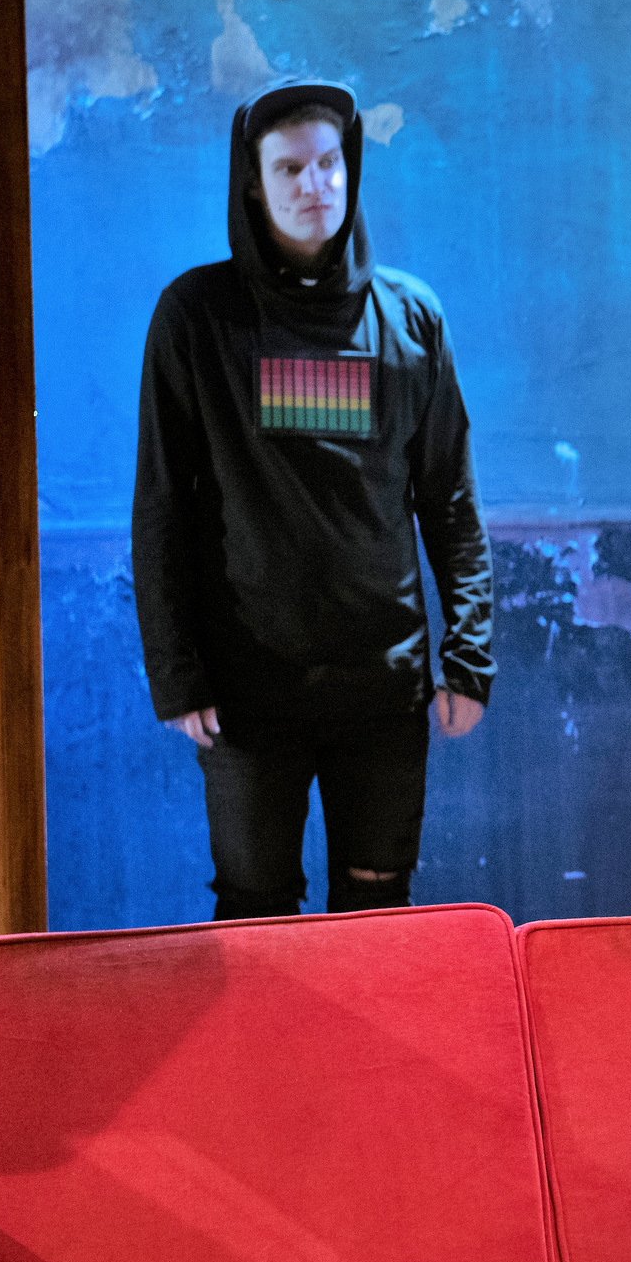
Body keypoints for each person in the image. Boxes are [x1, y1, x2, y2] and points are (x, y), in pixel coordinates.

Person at [133, 81, 494, 920]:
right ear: (253, 183)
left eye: (329, 163)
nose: (314, 185)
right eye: (290, 168)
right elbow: (162, 507)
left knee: (377, 913)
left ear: (350, 169)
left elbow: (450, 499)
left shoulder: (411, 319)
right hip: (247, 688)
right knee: (256, 914)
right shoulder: (197, 318)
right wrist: (177, 673)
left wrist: (470, 656)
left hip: (383, 686)